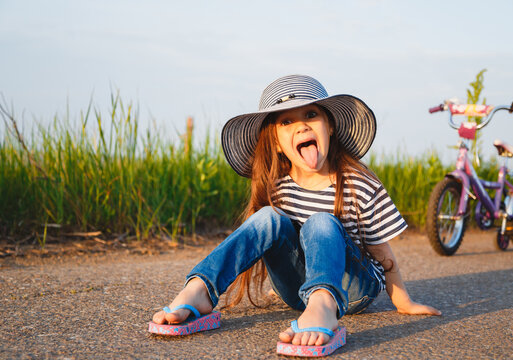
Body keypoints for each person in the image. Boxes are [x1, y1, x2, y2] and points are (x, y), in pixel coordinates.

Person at [150, 75, 441, 356]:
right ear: (276, 142)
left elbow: (381, 250)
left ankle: (324, 305)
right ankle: (201, 288)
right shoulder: (278, 188)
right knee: (267, 218)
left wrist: (402, 300)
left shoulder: (358, 184)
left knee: (321, 222)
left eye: (311, 114)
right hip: (297, 293)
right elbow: (267, 245)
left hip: (353, 290)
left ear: (330, 128)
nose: (301, 126)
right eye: (287, 121)